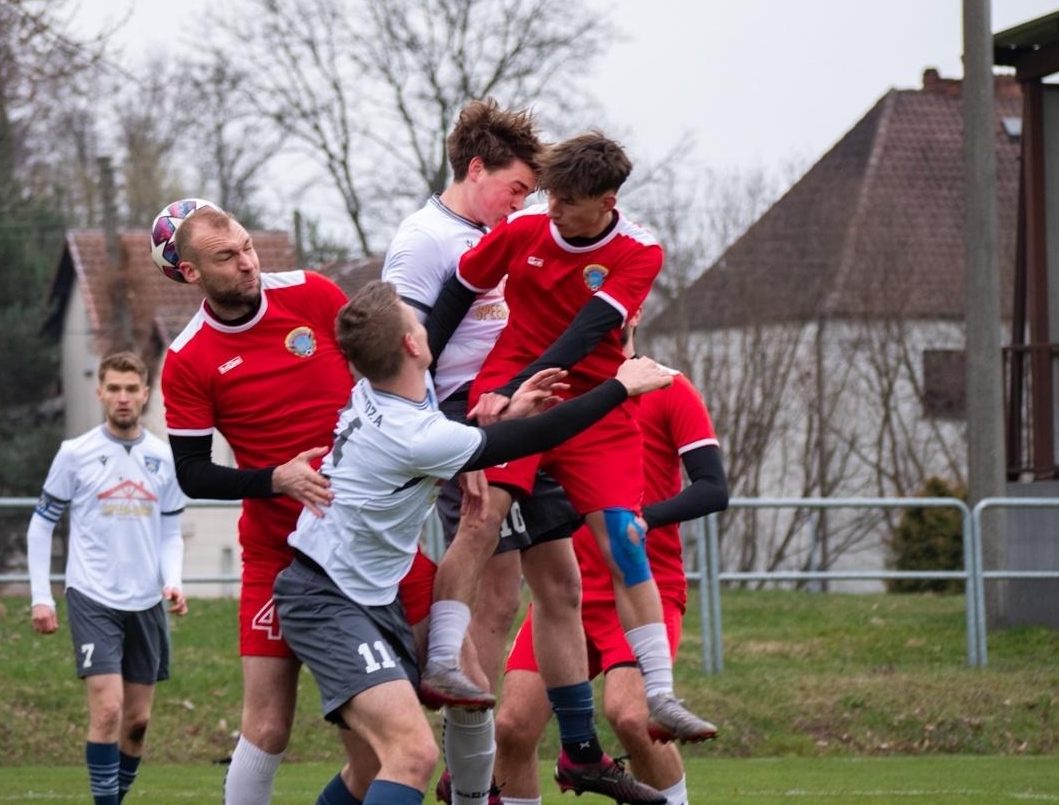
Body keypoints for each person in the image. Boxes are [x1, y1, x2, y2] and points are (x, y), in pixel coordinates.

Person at [273, 281, 675, 805]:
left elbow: (466, 438)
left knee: (455, 701)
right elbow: (529, 440)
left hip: (373, 585)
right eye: (414, 320)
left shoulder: (389, 389)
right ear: (411, 346)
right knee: (412, 754)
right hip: (325, 597)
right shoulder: (413, 431)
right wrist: (619, 387)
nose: (425, 322)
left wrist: (503, 416)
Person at [423, 131, 717, 766]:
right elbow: (458, 292)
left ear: (606, 201)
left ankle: (660, 693)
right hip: (514, 398)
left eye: (566, 201)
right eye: (548, 195)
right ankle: (443, 659)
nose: (550, 209)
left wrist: (511, 386)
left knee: (623, 540)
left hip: (594, 409)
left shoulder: (639, 249)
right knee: (482, 516)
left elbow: (588, 332)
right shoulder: (523, 230)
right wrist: (424, 386)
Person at [161, 200, 434, 805]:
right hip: (280, 556)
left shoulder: (311, 294)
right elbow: (190, 475)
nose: (247, 264)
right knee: (267, 726)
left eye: (247, 247)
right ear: (190, 274)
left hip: (370, 540)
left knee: (440, 696)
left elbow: (388, 363)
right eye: (226, 257)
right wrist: (273, 480)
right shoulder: (188, 357)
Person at [379, 99, 581, 805]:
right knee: (496, 597)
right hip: (468, 417)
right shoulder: (425, 238)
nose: (521, 205)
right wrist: (451, 446)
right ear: (475, 168)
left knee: (561, 584)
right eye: (517, 189)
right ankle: (475, 774)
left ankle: (563, 747)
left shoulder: (505, 233)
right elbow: (397, 356)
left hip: (521, 412)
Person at [492, 312, 729, 805]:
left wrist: (640, 518)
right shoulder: (551, 394)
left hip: (644, 588)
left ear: (633, 312)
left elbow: (712, 487)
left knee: (631, 716)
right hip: (566, 597)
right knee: (512, 726)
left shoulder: (668, 387)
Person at [27, 350, 189, 805]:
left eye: (131, 389)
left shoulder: (164, 458)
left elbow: (170, 530)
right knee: (109, 710)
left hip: (146, 602)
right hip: (91, 595)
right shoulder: (74, 454)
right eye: (113, 389)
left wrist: (172, 581)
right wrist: (41, 596)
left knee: (136, 722)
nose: (122, 398)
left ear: (145, 394)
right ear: (100, 393)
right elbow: (42, 523)